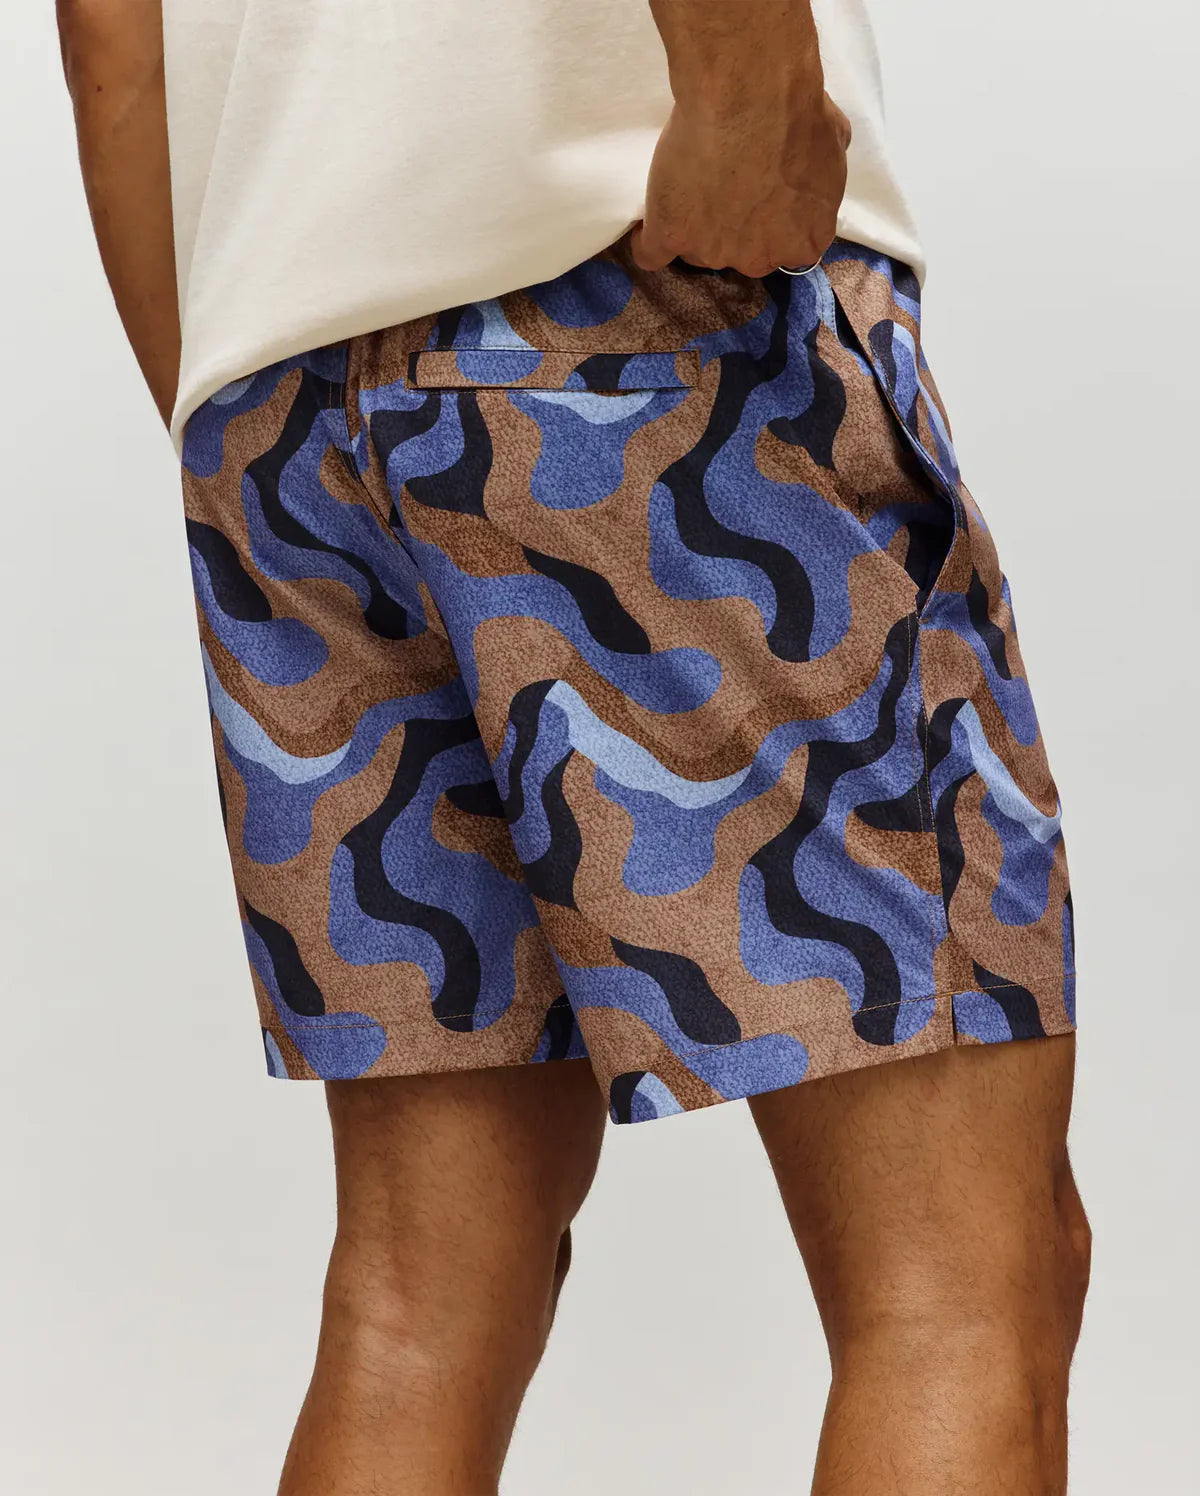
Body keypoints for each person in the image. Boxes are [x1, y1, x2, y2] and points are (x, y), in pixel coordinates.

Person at [56, 2, 1090, 1491]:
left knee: (420, 1307)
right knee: (960, 1288)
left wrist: (227, 386)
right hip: (632, 300)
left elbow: (108, 34)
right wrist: (743, 83)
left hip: (282, 409)